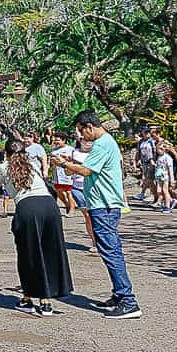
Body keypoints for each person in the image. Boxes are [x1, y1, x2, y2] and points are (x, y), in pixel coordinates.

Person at [62, 112, 141, 319]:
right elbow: (86, 168)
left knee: (111, 251)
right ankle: (119, 294)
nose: (80, 135)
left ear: (89, 126)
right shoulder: (104, 144)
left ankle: (127, 300)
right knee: (109, 250)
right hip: (102, 204)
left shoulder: (102, 143)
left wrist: (63, 164)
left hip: (104, 205)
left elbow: (86, 171)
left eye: (81, 130)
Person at [7, 136, 72, 314]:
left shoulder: (3, 168)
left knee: (28, 253)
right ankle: (46, 301)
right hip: (50, 206)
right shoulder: (33, 165)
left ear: (6, 154)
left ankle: (29, 298)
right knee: (50, 250)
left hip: (27, 209)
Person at [48, 131, 79, 216]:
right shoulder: (53, 150)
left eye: (58, 140)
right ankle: (67, 205)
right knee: (59, 192)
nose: (56, 142)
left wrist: (66, 159)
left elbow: (75, 161)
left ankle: (72, 210)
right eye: (55, 140)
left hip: (68, 175)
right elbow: (50, 162)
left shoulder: (70, 149)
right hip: (57, 175)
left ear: (64, 140)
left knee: (69, 192)